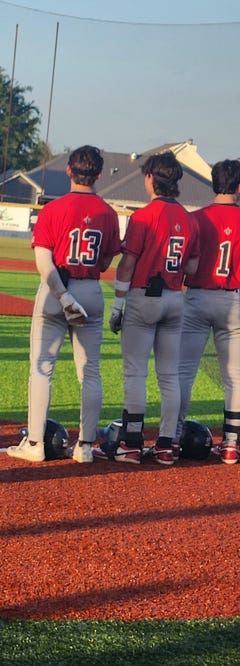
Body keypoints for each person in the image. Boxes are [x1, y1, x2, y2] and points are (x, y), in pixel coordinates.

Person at [7, 146, 121, 463]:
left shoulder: (53, 209)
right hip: (90, 290)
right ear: (99, 175)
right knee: (90, 372)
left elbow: (44, 262)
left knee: (42, 369)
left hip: (57, 290)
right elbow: (106, 260)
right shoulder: (108, 213)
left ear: (69, 170)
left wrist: (62, 296)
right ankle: (85, 447)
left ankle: (34, 444)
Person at [100, 151, 198, 465]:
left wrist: (117, 305)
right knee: (169, 375)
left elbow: (127, 264)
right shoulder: (190, 219)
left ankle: (131, 443)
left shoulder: (143, 216)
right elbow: (192, 267)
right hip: (174, 297)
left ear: (152, 178)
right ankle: (167, 444)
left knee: (135, 373)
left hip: (144, 296)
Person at [177, 159, 240, 465]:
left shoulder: (195, 219)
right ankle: (231, 444)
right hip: (233, 300)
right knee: (235, 376)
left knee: (184, 372)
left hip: (198, 297)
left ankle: (172, 437)